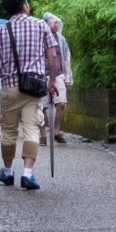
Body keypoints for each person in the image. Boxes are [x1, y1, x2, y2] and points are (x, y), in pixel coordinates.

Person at [0, 0, 59, 191]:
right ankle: (27, 174)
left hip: (9, 87)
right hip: (34, 87)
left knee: (8, 131)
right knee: (31, 129)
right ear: (24, 5)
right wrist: (52, 80)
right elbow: (53, 55)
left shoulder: (1, 30)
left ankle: (8, 171)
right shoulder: (41, 26)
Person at [42, 12, 74, 146]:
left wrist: (67, 75)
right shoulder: (39, 38)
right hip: (42, 74)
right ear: (46, 24)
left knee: (61, 103)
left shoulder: (60, 39)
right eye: (54, 23)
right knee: (41, 107)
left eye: (57, 23)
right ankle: (42, 135)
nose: (57, 25)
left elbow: (66, 58)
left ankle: (56, 131)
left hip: (58, 74)